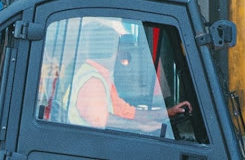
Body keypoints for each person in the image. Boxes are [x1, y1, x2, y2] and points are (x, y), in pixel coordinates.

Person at [64, 20, 192, 134]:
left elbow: (128, 113)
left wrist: (168, 112)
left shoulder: (100, 76)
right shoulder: (93, 81)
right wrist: (141, 126)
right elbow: (101, 119)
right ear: (109, 50)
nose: (121, 53)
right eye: (118, 47)